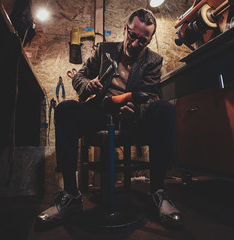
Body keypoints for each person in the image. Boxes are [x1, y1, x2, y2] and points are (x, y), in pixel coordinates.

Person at [36, 8, 182, 229]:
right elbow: (80, 76)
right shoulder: (104, 50)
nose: (134, 44)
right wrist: (87, 85)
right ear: (125, 29)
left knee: (165, 109)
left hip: (133, 116)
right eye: (132, 35)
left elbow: (150, 95)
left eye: (142, 41)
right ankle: (71, 196)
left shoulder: (153, 60)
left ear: (149, 40)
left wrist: (137, 110)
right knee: (65, 109)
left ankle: (157, 192)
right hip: (101, 112)